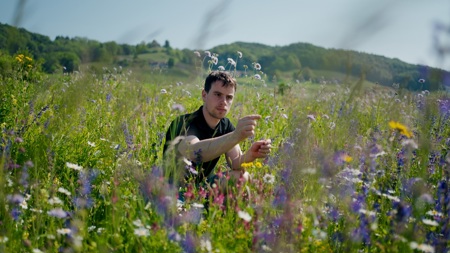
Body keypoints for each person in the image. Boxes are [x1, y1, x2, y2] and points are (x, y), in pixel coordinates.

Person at [163, 71, 272, 189]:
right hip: (172, 189)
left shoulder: (226, 125)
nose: (223, 102)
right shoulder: (184, 122)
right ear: (204, 95)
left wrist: (251, 154)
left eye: (229, 97)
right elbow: (195, 152)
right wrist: (235, 136)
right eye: (218, 94)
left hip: (203, 187)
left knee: (241, 176)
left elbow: (235, 162)